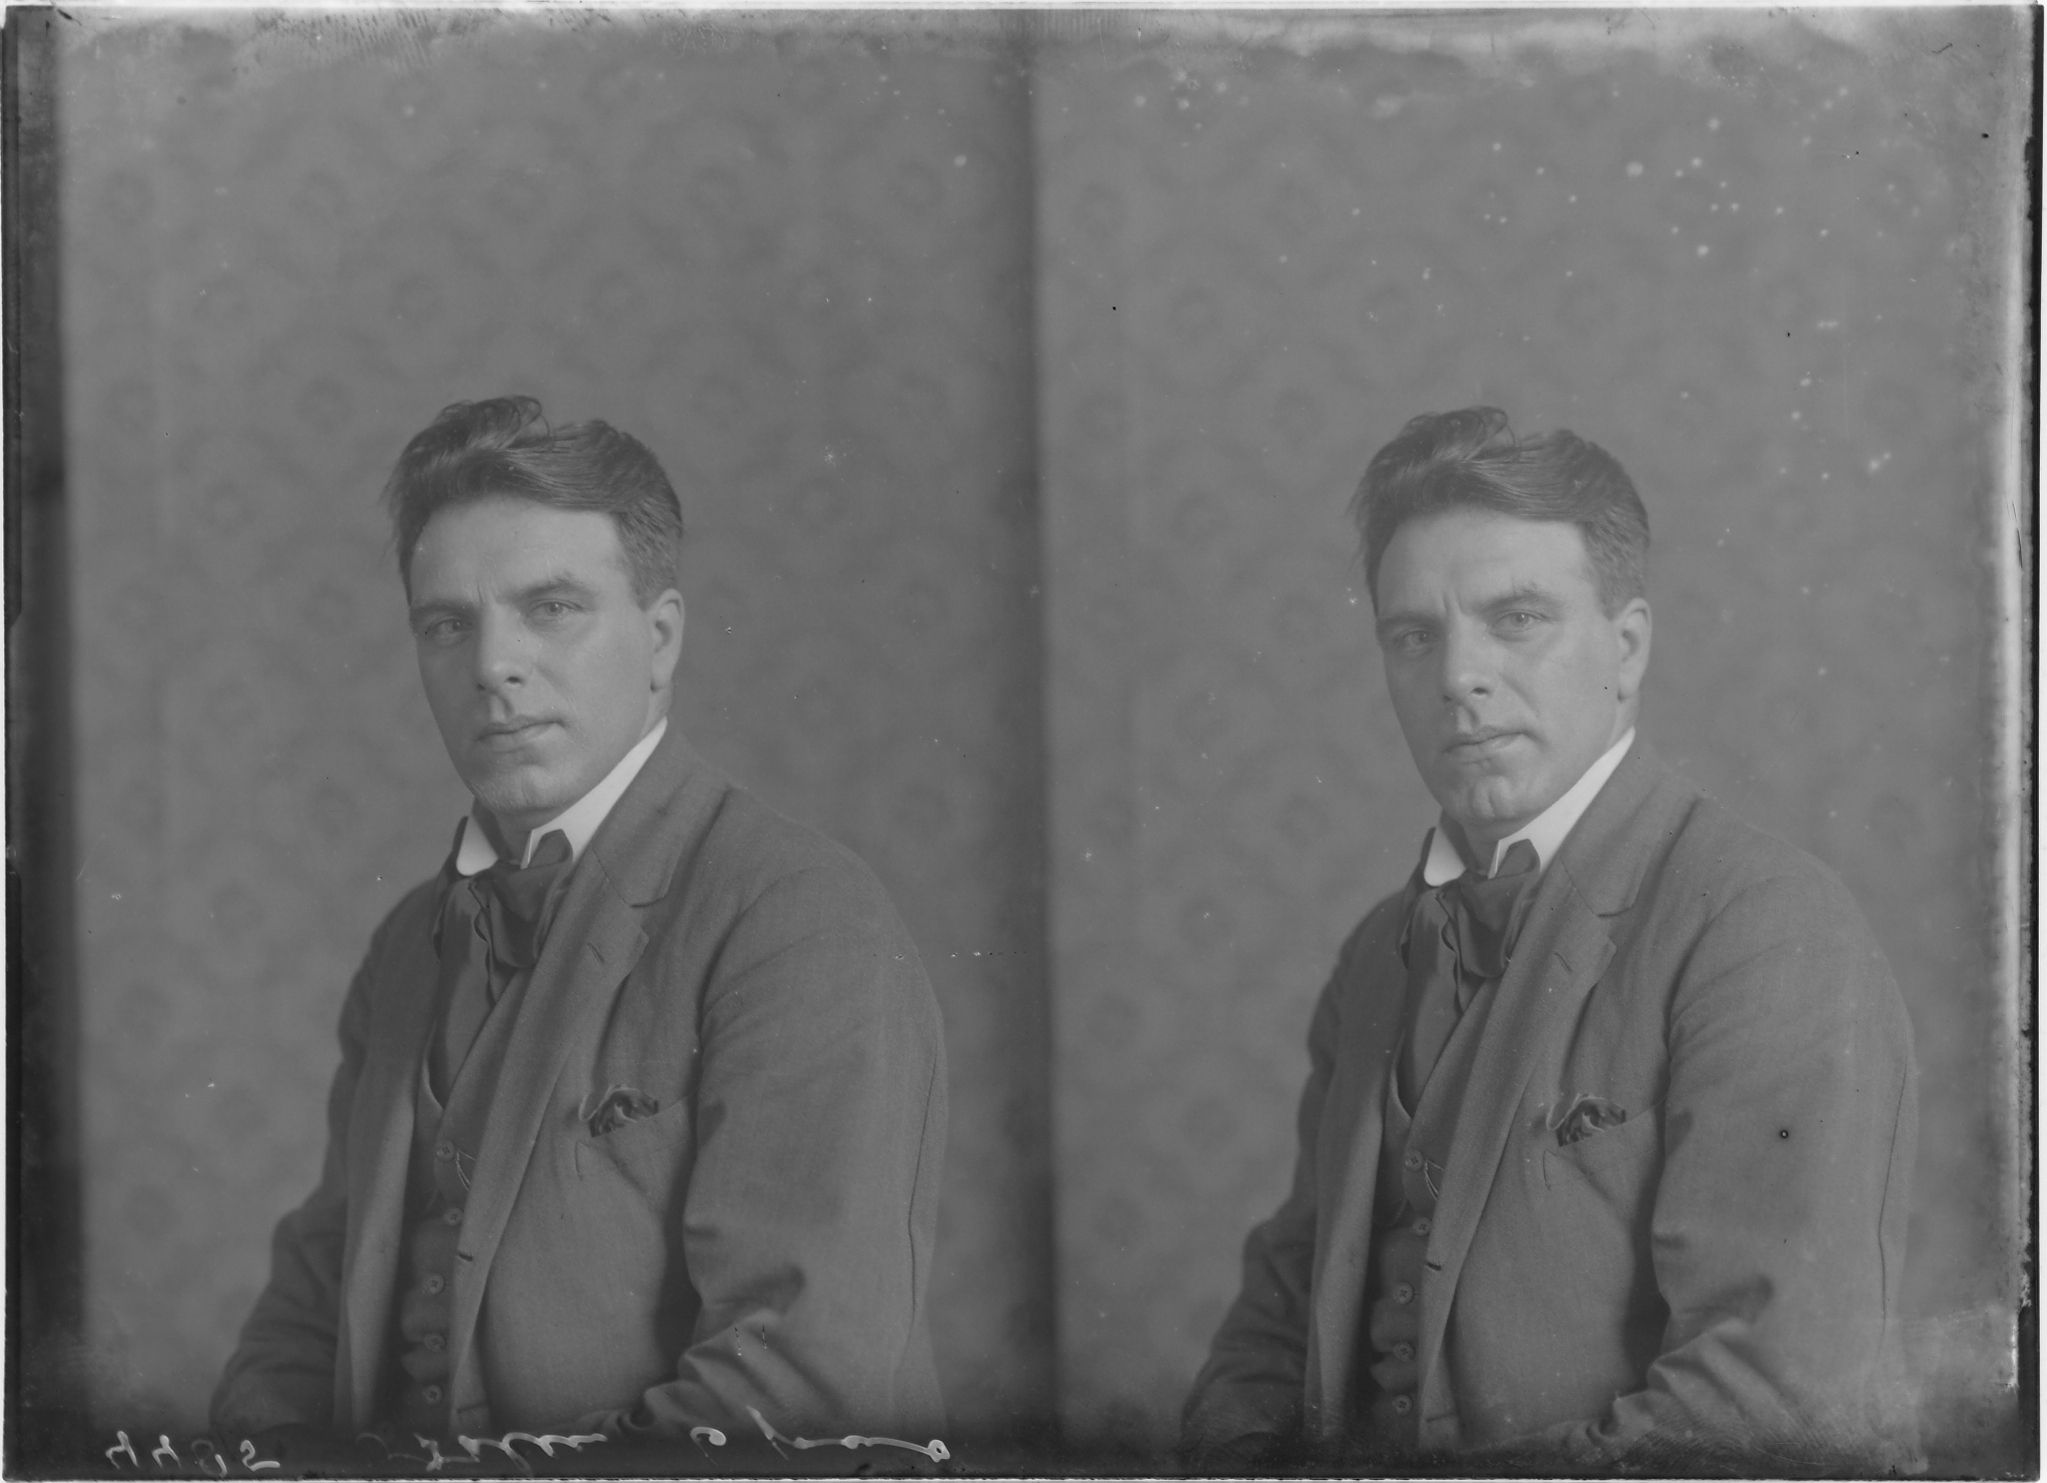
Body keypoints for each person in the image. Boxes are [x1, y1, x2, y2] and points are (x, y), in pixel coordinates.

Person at [1182, 407, 1917, 1472]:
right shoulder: (1376, 955)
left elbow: (1764, 1405)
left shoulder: (1762, 928)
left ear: (1626, 647)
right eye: (1413, 635)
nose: (1457, 676)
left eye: (1516, 618)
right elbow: (1276, 1326)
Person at [212, 396, 947, 1451]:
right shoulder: (407, 945)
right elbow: (306, 1317)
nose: (491, 666)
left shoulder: (797, 921)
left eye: (551, 607)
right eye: (446, 624)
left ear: (660, 639)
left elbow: (794, 1386)